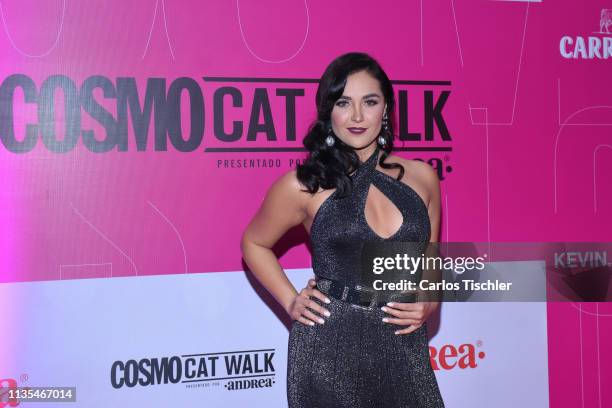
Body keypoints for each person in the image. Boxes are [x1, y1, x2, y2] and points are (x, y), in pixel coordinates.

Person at [240, 52, 444, 407]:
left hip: (402, 343)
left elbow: (430, 253)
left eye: (369, 101)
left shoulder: (423, 176)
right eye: (343, 103)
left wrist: (431, 296)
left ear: (386, 109)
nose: (357, 116)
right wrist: (290, 299)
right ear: (328, 111)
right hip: (329, 349)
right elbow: (254, 242)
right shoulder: (304, 185)